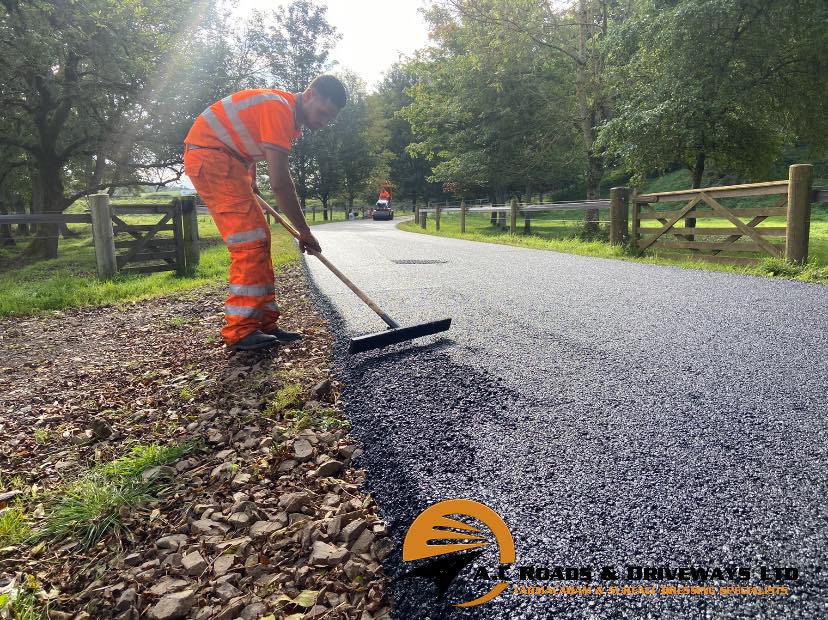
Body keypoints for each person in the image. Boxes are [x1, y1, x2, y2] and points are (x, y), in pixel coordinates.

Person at [183, 75, 347, 351]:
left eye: (330, 118)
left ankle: (264, 322)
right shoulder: (279, 110)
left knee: (261, 239)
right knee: (251, 242)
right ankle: (241, 329)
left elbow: (245, 142)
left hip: (232, 160)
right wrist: (304, 231)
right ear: (309, 95)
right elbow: (281, 183)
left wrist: (252, 177)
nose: (323, 122)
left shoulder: (283, 111)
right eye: (322, 113)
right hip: (212, 158)